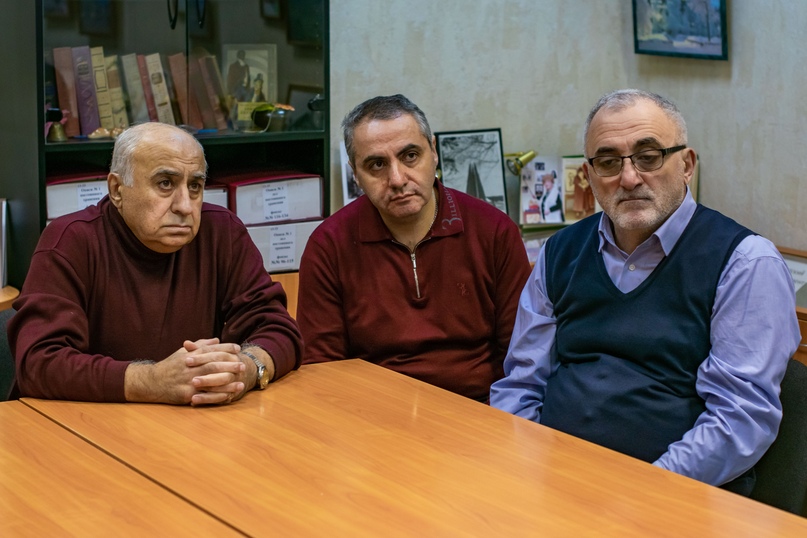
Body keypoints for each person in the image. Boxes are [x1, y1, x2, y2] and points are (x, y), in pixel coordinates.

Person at [491, 89, 800, 494]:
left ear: (686, 165)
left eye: (649, 156)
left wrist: (645, 489)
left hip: (676, 496)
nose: (629, 178)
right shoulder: (560, 252)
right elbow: (522, 386)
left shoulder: (745, 263)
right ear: (589, 175)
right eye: (608, 162)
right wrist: (529, 470)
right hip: (556, 482)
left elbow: (739, 418)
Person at [9, 122, 302, 405]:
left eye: (195, 186)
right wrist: (153, 381)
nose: (185, 206)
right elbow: (38, 362)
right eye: (165, 184)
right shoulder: (70, 241)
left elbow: (279, 329)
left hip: (192, 421)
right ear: (117, 189)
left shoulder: (221, 232)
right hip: (81, 423)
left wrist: (245, 370)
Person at [297, 94, 531, 402]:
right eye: (377, 164)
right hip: (374, 415)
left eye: (410, 156)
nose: (397, 179)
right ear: (355, 173)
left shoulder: (494, 231)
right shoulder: (328, 246)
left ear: (433, 152)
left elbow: (521, 359)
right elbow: (324, 369)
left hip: (480, 410)